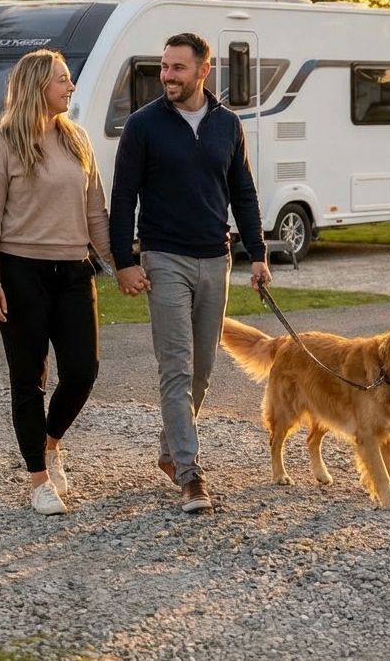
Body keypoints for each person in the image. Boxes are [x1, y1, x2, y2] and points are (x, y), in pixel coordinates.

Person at [109, 31, 271, 514]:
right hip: (164, 259)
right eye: (164, 67)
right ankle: (190, 473)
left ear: (204, 70)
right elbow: (122, 197)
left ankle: (168, 450)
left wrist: (258, 253)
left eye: (178, 68)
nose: (167, 76)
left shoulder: (228, 125)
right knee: (176, 368)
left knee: (201, 372)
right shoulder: (144, 125)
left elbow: (242, 191)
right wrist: (124, 260)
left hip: (215, 258)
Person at [0, 49, 113, 516]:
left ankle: (51, 443)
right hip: (19, 272)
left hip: (74, 270)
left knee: (82, 370)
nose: (70, 87)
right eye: (62, 80)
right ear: (38, 86)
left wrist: (118, 265)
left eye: (69, 80)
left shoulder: (77, 140)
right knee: (28, 378)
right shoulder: (4, 143)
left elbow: (96, 211)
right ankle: (38, 479)